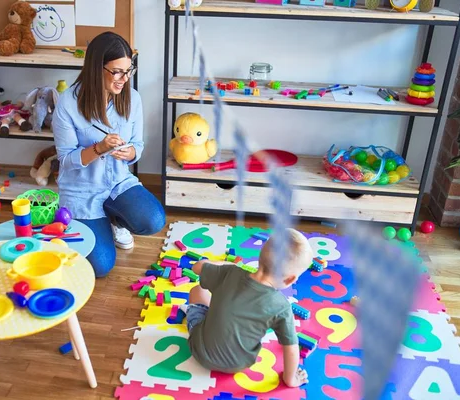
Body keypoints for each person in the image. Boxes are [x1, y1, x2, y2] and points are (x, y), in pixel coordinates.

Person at [52, 32, 165, 278]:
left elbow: (139, 144)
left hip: (117, 182)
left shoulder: (132, 99)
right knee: (101, 266)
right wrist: (99, 149)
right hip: (81, 190)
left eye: (128, 70)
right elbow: (67, 161)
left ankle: (113, 220)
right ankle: (89, 220)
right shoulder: (67, 105)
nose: (124, 79)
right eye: (117, 71)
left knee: (154, 220)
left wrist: (131, 152)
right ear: (96, 68)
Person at [184, 228, 312, 387]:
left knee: (197, 290)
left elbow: (197, 267)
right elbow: (292, 348)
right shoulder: (282, 307)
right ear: (290, 279)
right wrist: (291, 379)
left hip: (200, 352)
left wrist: (226, 264)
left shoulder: (230, 272)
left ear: (260, 256)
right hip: (239, 363)